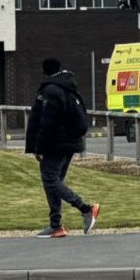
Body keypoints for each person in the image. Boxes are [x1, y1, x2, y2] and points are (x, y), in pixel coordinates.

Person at [26, 58, 99, 238]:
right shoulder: (68, 87)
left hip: (54, 145)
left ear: (45, 71)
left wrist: (39, 147)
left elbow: (46, 123)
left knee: (50, 180)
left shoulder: (50, 91)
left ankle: (85, 209)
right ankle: (55, 225)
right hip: (68, 143)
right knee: (53, 183)